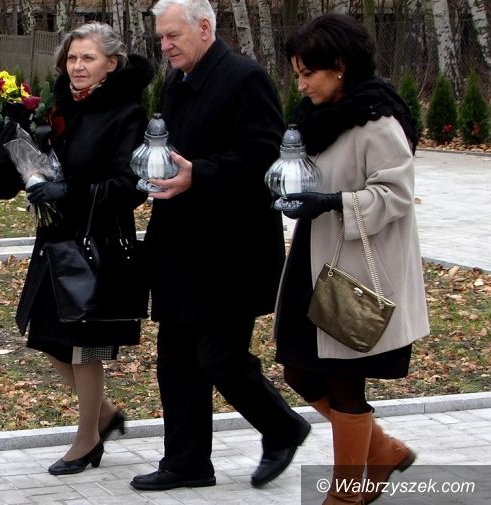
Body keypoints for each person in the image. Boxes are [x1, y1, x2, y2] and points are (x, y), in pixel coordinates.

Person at [130, 0, 311, 492]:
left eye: (173, 36)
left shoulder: (245, 78)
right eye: (161, 37)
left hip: (232, 252)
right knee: (176, 360)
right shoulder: (177, 81)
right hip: (179, 244)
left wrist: (200, 174)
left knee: (220, 357)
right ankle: (186, 463)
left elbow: (265, 158)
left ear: (205, 28)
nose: (165, 46)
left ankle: (282, 427)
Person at [0, 22, 153, 476]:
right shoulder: (55, 109)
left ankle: (87, 439)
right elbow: (10, 182)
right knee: (48, 339)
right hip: (55, 243)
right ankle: (104, 415)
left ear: (111, 64)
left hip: (98, 245)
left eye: (88, 58)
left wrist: (69, 192)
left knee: (84, 347)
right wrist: (4, 149)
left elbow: (131, 185)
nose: (77, 66)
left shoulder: (127, 114)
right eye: (72, 58)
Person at [275, 14, 430, 505]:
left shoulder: (377, 120)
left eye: (308, 74)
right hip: (312, 258)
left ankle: (346, 494)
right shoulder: (315, 118)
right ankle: (381, 450)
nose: (301, 85)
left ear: (339, 66)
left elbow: (396, 194)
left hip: (355, 270)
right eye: (297, 74)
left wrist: (333, 202)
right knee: (298, 369)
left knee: (344, 383)